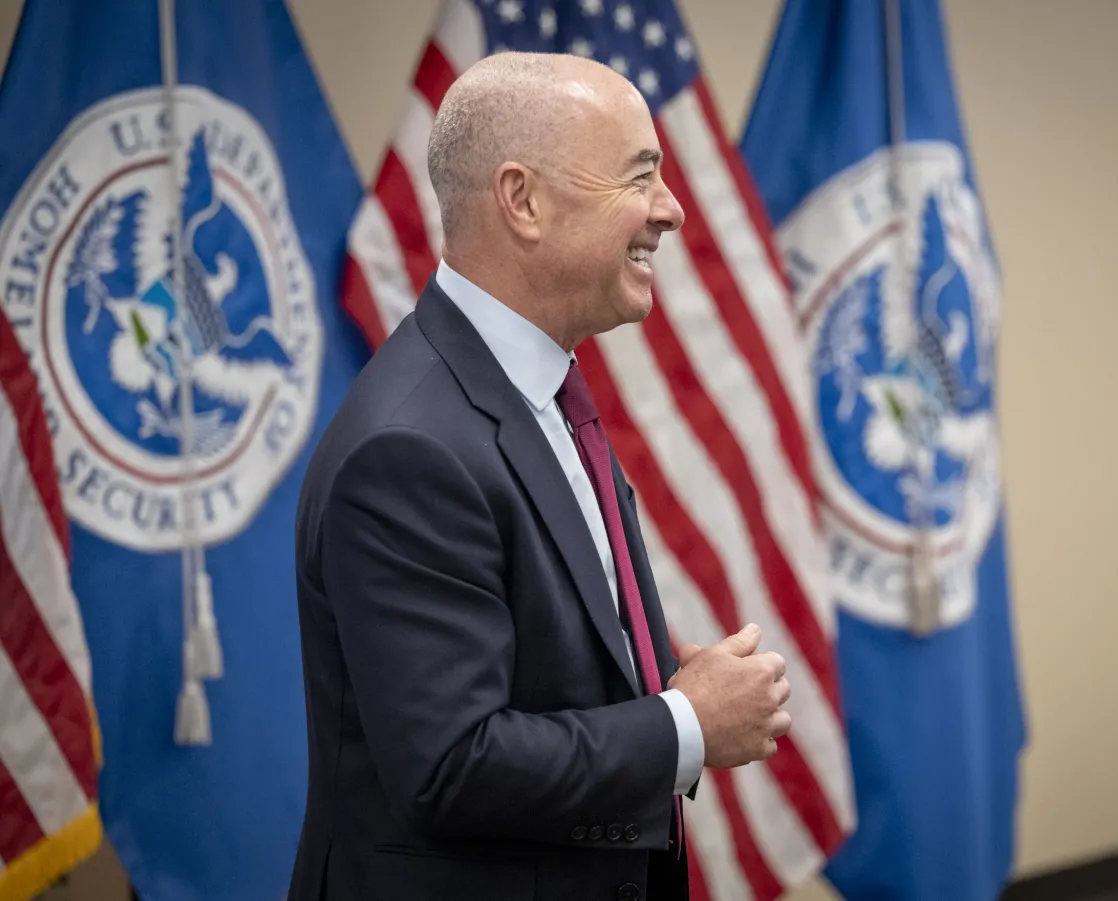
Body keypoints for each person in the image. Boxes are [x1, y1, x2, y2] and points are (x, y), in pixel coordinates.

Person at [288, 52, 792, 901]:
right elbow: (451, 766)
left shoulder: (539, 387)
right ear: (523, 200)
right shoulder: (408, 449)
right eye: (640, 176)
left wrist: (638, 680)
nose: (668, 209)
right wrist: (685, 724)